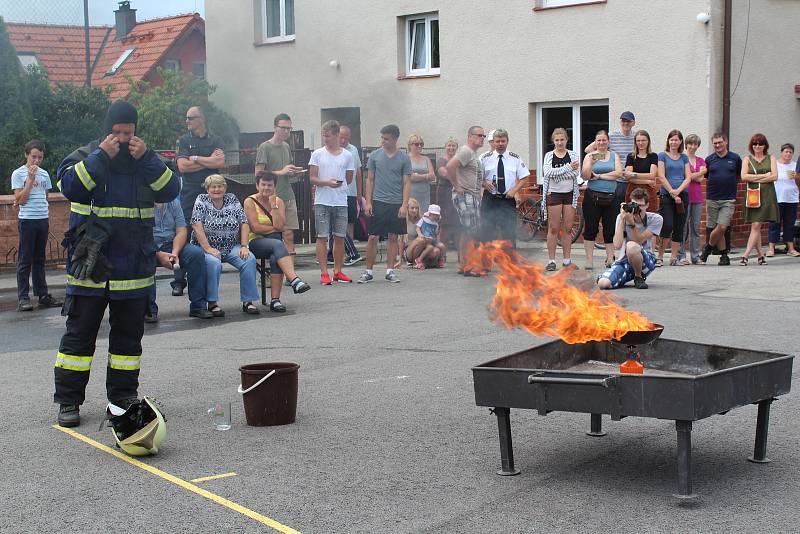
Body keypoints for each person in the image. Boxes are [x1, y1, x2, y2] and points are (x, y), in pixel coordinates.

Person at [54, 99, 180, 427]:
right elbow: (71, 187)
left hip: (133, 267)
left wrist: (149, 159)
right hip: (91, 264)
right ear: (106, 131)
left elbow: (171, 189)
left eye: (128, 133)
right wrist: (102, 157)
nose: (123, 139)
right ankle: (69, 401)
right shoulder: (85, 157)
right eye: (116, 133)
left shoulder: (145, 161)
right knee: (79, 337)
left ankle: (122, 399)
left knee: (127, 341)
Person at [191, 174, 260, 314]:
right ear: (207, 189)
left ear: (225, 187)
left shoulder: (232, 199)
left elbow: (244, 222)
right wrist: (208, 248)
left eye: (220, 186)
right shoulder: (201, 200)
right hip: (206, 246)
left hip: (230, 246)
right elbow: (196, 225)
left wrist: (244, 246)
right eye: (213, 187)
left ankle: (248, 301)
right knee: (213, 263)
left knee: (249, 259)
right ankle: (212, 303)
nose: (217, 189)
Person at [244, 172, 310, 311]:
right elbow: (255, 227)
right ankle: (294, 280)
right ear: (257, 185)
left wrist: (273, 205)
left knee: (276, 257)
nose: (266, 188)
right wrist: (273, 228)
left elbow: (280, 226)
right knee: (279, 244)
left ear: (275, 187)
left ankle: (275, 300)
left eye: (270, 185)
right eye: (263, 184)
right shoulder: (250, 201)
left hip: (274, 244)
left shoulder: (278, 201)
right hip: (255, 242)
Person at [11, 140, 62, 312]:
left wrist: (46, 216)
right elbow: (22, 200)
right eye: (33, 157)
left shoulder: (45, 174)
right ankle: (23, 297)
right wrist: (30, 179)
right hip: (27, 220)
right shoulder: (18, 174)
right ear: (26, 155)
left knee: (40, 259)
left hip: (42, 219)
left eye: (40, 157)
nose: (36, 161)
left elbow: (45, 198)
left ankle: (43, 295)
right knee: (25, 259)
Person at [358, 124, 411, 283]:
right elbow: (370, 180)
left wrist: (404, 204)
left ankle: (390, 271)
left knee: (393, 237)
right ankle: (368, 271)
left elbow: (407, 183)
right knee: (372, 237)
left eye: (386, 139)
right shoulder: (374, 156)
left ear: (395, 139)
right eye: (382, 138)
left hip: (396, 203)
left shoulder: (404, 158)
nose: (382, 141)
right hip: (378, 201)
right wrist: (368, 202)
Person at [147, 197, 211, 321]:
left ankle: (198, 307)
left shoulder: (173, 202)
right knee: (143, 259)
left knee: (196, 254)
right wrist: (159, 254)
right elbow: (140, 235)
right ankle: (149, 310)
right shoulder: (141, 203)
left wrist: (174, 253)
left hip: (173, 244)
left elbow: (181, 231)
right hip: (150, 246)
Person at [310, 120, 355, 285]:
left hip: (340, 200)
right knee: (322, 237)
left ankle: (338, 271)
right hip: (322, 200)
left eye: (328, 136)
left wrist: (337, 184)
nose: (325, 139)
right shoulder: (317, 154)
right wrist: (327, 182)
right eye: (323, 135)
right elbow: (312, 178)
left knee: (339, 237)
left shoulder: (348, 155)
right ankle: (324, 273)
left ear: (336, 135)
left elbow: (349, 178)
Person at [255, 113, 305, 255]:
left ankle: (290, 274)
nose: (286, 131)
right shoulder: (265, 147)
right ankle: (272, 272)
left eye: (289, 129)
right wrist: (281, 172)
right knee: (273, 234)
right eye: (283, 128)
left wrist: (294, 172)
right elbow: (259, 174)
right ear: (275, 128)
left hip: (287, 194)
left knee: (289, 234)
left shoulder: (286, 146)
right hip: (271, 197)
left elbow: (285, 171)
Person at [597, 188, 663, 289]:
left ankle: (638, 277)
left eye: (640, 205)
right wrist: (623, 219)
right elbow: (617, 245)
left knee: (631, 246)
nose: (637, 209)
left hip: (646, 261)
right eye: (634, 205)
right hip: (625, 261)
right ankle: (617, 276)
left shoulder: (655, 219)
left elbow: (639, 241)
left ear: (647, 205)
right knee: (603, 284)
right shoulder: (622, 217)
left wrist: (632, 224)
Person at [446, 126, 485, 276]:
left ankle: (464, 265)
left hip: (473, 196)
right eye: (479, 135)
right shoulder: (466, 151)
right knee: (473, 230)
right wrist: (456, 185)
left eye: (483, 135)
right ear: (470, 136)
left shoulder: (473, 154)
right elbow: (449, 166)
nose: (482, 138)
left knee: (467, 231)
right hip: (465, 195)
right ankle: (472, 266)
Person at [176, 106, 226, 223]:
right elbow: (183, 167)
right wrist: (210, 160)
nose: (187, 121)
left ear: (202, 119)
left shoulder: (216, 140)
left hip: (213, 191)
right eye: (186, 118)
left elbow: (220, 162)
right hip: (190, 191)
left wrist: (196, 159)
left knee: (213, 223)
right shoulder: (183, 140)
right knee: (189, 224)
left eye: (190, 118)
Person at [480, 128, 528, 248]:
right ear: (493, 142)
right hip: (490, 199)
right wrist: (485, 183)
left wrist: (514, 190)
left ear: (507, 141)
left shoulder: (515, 158)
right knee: (487, 232)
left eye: (503, 141)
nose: (500, 144)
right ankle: (486, 264)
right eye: (498, 141)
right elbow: (475, 177)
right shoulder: (484, 158)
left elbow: (524, 177)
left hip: (507, 199)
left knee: (509, 232)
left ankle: (510, 264)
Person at [581, 130, 621, 270]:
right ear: (595, 142)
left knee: (610, 229)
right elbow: (585, 176)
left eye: (604, 140)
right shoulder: (590, 156)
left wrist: (599, 176)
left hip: (611, 197)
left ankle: (610, 258)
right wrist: (591, 164)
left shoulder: (613, 155)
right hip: (592, 197)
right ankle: (589, 260)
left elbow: (618, 173)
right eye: (599, 140)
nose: (602, 143)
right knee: (591, 229)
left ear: (608, 141)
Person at [541, 128, 580, 271]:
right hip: (554, 194)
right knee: (554, 228)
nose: (559, 142)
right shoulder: (549, 155)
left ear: (566, 139)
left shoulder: (573, 154)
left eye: (562, 139)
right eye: (557, 140)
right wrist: (568, 167)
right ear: (553, 141)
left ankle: (567, 260)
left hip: (570, 193)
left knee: (568, 228)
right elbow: (548, 172)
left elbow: (575, 174)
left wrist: (559, 173)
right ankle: (551, 260)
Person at [700, 132, 741, 266]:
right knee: (716, 228)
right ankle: (724, 256)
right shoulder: (709, 159)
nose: (717, 145)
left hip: (728, 199)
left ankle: (707, 248)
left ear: (726, 142)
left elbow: (738, 175)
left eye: (720, 142)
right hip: (712, 198)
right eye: (715, 143)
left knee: (722, 226)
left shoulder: (735, 158)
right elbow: (705, 177)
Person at [739, 133, 779, 265]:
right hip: (753, 195)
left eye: (760, 143)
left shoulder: (771, 158)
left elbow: (774, 176)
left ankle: (745, 255)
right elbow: (744, 177)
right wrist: (764, 176)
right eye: (754, 144)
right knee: (756, 225)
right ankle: (761, 256)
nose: (757, 146)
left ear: (765, 146)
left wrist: (755, 177)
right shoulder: (747, 159)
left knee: (757, 225)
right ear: (752, 145)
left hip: (767, 195)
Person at [656, 130, 691, 267]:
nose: (674, 142)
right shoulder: (662, 156)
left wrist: (678, 191)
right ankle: (660, 256)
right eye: (671, 139)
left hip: (683, 195)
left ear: (681, 142)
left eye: (676, 140)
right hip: (667, 195)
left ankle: (674, 257)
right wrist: (672, 192)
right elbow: (661, 175)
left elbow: (688, 177)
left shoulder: (684, 157)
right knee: (667, 224)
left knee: (679, 226)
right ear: (668, 141)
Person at [587, 111, 637, 206]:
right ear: (620, 122)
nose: (625, 123)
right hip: (616, 181)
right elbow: (588, 149)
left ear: (633, 123)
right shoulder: (612, 136)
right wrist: (604, 158)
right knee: (617, 213)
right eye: (623, 121)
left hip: (633, 181)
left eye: (628, 121)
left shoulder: (636, 137)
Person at [677, 134, 707, 265]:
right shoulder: (682, 159)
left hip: (697, 197)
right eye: (690, 144)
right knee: (683, 227)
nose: (693, 146)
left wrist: (692, 175)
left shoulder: (701, 160)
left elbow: (700, 179)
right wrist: (700, 172)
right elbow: (686, 176)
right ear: (686, 145)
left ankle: (695, 256)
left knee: (695, 227)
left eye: (695, 144)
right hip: (685, 195)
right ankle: (681, 255)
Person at [768, 143, 799, 257]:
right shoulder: (775, 164)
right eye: (786, 151)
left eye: (790, 152)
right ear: (781, 152)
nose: (788, 154)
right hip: (777, 198)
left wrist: (797, 176)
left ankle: (790, 248)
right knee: (774, 223)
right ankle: (771, 248)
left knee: (789, 224)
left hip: (792, 198)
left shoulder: (795, 165)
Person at [623, 130, 659, 212]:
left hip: (649, 191)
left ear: (648, 141)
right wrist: (647, 181)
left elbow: (652, 175)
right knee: (632, 217)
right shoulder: (631, 156)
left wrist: (633, 174)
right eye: (638, 140)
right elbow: (628, 177)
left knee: (650, 217)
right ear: (635, 142)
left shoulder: (653, 156)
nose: (640, 143)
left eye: (643, 140)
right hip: (633, 191)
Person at [436, 138, 460, 247]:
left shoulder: (460, 160)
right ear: (445, 147)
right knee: (444, 225)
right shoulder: (441, 160)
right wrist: (459, 180)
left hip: (458, 194)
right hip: (444, 194)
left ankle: (461, 256)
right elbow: (444, 173)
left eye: (453, 146)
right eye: (449, 145)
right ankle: (441, 254)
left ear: (457, 147)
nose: (451, 148)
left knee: (458, 224)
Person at [410, 204, 446, 269]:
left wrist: (438, 237)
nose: (435, 216)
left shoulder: (436, 224)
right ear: (429, 214)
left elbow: (436, 234)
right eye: (433, 214)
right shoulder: (423, 220)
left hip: (432, 239)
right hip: (424, 239)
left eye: (436, 215)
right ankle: (419, 259)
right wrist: (420, 234)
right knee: (430, 247)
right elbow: (417, 228)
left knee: (442, 246)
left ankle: (441, 259)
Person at [408, 134, 435, 214]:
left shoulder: (426, 159)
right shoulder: (406, 159)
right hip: (411, 194)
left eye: (421, 144)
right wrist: (426, 176)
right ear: (410, 145)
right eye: (417, 144)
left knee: (424, 217)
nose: (419, 146)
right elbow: (410, 177)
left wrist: (417, 175)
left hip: (425, 194)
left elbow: (433, 176)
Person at [403, 197, 423, 264]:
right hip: (408, 250)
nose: (414, 210)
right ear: (407, 209)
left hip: (422, 248)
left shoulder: (421, 220)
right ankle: (415, 262)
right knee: (420, 240)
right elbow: (400, 242)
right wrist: (400, 259)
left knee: (436, 251)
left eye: (416, 208)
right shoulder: (403, 221)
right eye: (412, 208)